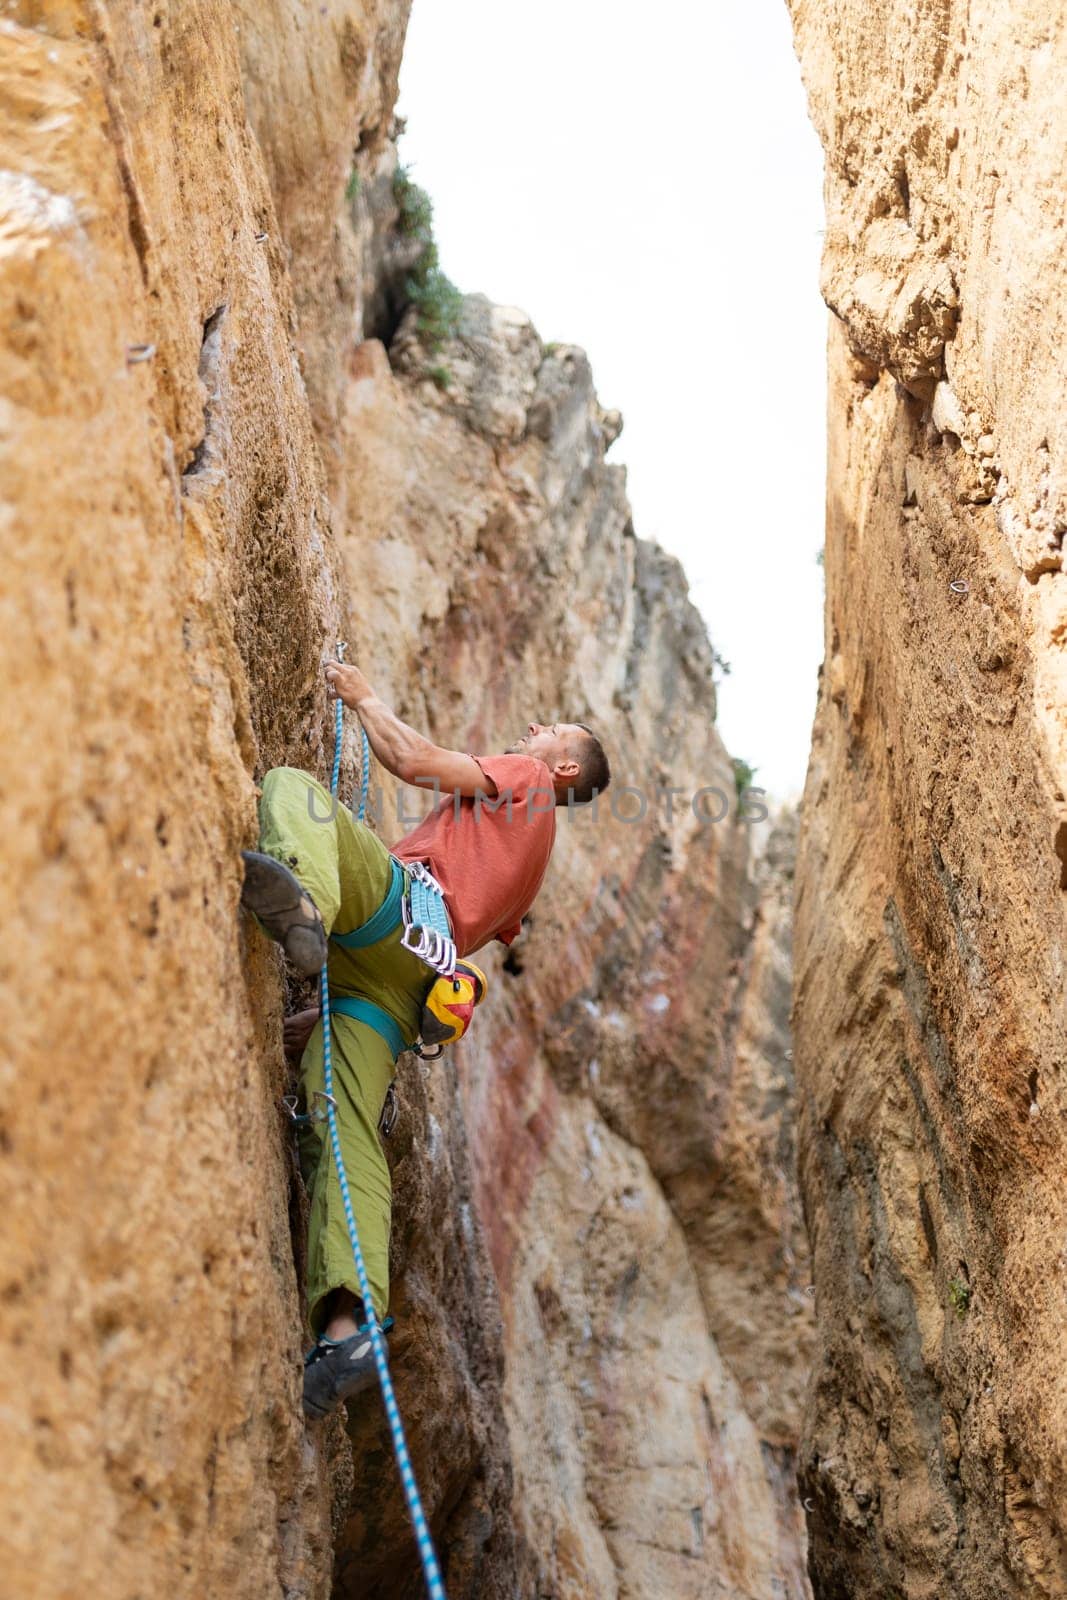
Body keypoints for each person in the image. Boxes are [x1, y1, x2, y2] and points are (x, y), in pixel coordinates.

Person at [239, 659, 611, 1418]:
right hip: (404, 991)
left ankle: (305, 905)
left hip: (394, 919)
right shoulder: (532, 862)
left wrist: (361, 695)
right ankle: (346, 1328)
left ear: (562, 764)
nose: (533, 730)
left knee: (291, 789)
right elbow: (491, 929)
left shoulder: (527, 779)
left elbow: (411, 760)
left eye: (550, 731)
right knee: (338, 1123)